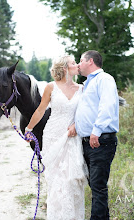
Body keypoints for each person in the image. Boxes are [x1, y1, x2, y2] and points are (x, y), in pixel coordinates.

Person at [25, 55, 88, 220]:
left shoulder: (82, 88)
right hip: (53, 136)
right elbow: (40, 110)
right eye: (73, 63)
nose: (77, 65)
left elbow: (87, 112)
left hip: (72, 138)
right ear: (65, 68)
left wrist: (77, 125)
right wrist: (29, 128)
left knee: (72, 180)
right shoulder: (51, 87)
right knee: (56, 182)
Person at [74, 50, 119, 220]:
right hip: (87, 142)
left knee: (98, 186)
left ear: (90, 61)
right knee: (95, 185)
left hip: (100, 141)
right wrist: (75, 125)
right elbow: (87, 110)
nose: (79, 64)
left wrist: (96, 131)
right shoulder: (87, 84)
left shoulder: (104, 79)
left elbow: (106, 107)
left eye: (81, 61)